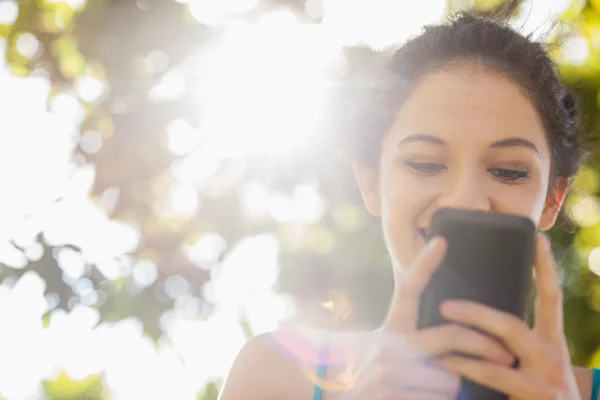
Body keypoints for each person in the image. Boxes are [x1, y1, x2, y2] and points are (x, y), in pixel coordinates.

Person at [218, 10, 600, 400]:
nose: (464, 199)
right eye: (425, 164)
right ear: (372, 184)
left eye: (508, 171)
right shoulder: (275, 375)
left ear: (554, 199)